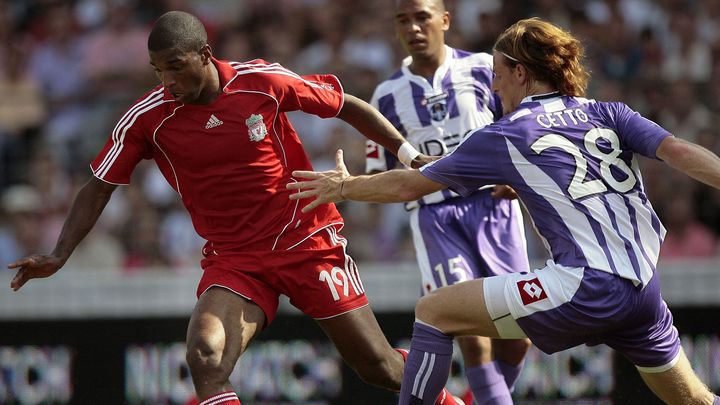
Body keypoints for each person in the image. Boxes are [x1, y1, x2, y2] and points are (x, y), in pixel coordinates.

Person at [6, 11, 464, 405]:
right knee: (204, 356)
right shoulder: (149, 117)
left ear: (204, 54)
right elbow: (99, 185)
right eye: (157, 70)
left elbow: (347, 106)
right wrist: (60, 253)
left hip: (307, 239)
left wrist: (409, 155)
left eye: (175, 67)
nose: (167, 81)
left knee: (378, 368)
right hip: (237, 261)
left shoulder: (261, 81)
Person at [288, 17, 720, 405]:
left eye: (498, 76)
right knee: (696, 401)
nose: (494, 88)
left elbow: (408, 184)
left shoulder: (506, 133)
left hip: (584, 286)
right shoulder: (608, 111)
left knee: (434, 311)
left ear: (520, 72)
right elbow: (679, 151)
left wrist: (342, 187)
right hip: (643, 290)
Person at [365, 1, 530, 403]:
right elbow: (375, 169)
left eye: (422, 16)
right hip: (435, 217)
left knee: (518, 334)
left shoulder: (481, 69)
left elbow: (522, 129)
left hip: (495, 210)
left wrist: (518, 179)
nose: (413, 27)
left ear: (444, 20)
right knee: (470, 329)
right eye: (403, 19)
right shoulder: (386, 94)